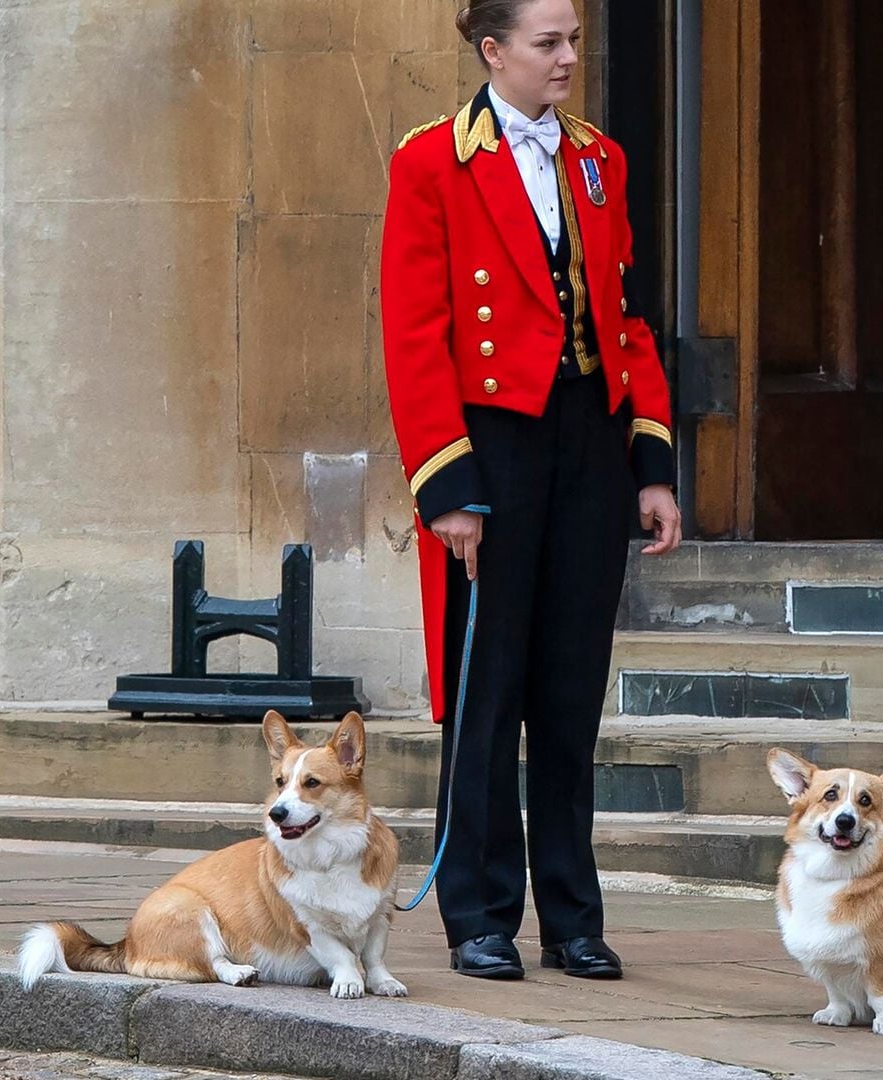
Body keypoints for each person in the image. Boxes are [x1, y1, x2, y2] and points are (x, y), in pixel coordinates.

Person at [379, 0, 680, 982]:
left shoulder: (600, 159)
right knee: (486, 690)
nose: (568, 59)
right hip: (490, 448)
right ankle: (478, 911)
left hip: (589, 442)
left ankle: (573, 917)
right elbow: (415, 336)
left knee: (567, 692)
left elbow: (628, 320)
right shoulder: (432, 161)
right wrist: (448, 488)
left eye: (574, 41)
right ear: (493, 48)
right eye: (548, 43)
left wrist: (652, 465)